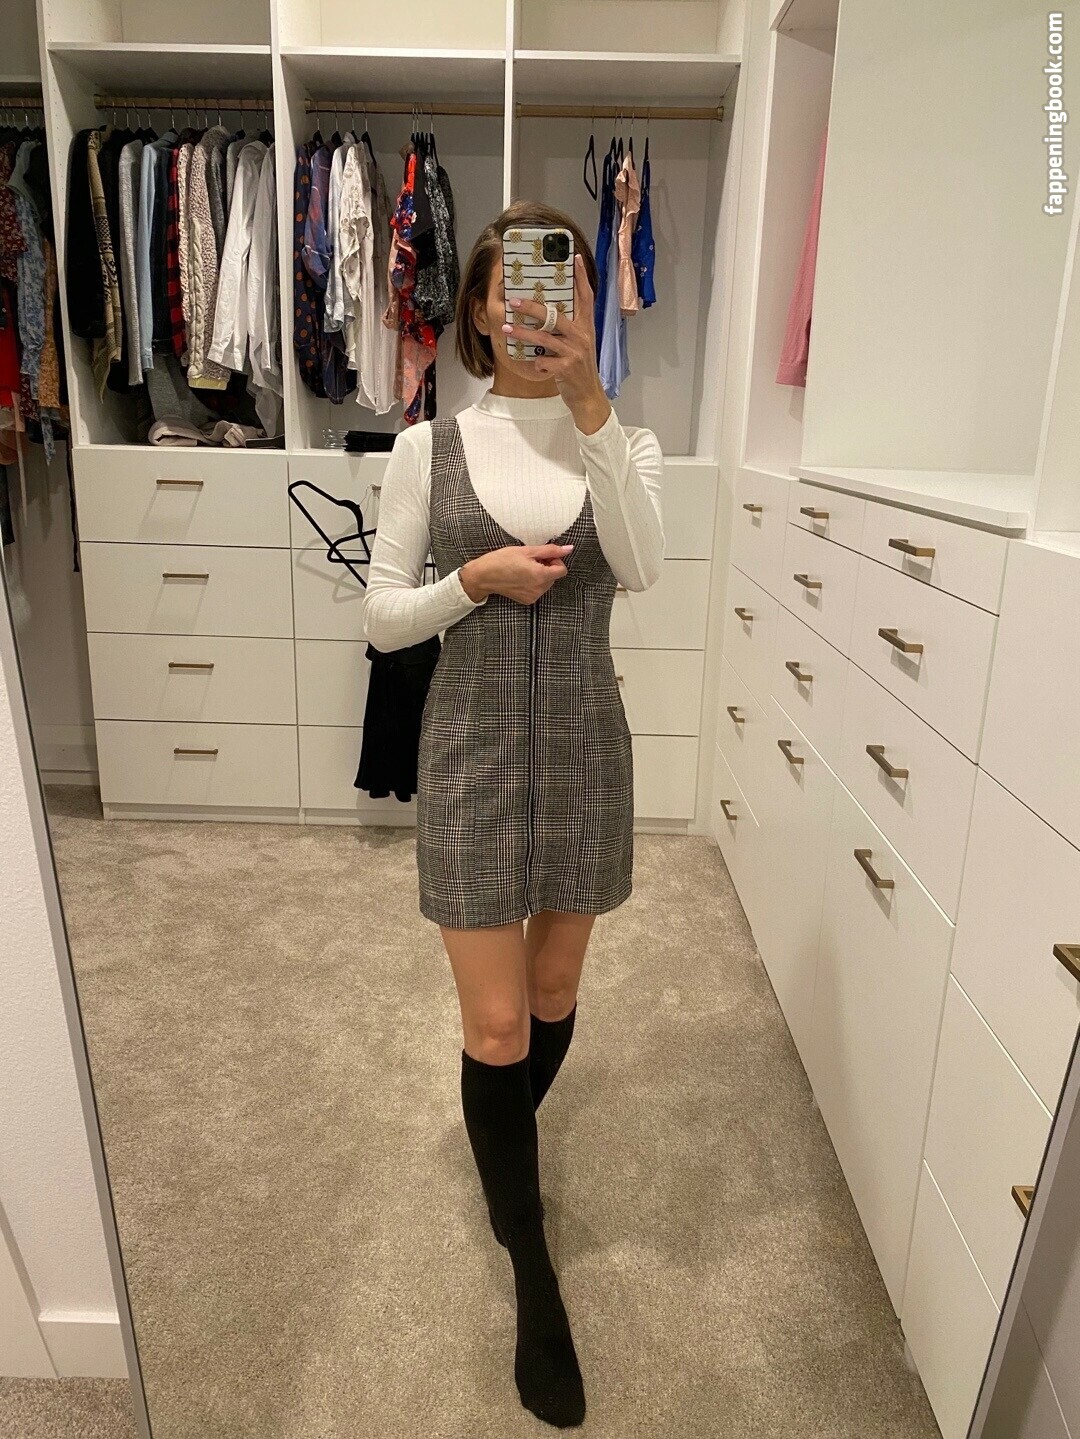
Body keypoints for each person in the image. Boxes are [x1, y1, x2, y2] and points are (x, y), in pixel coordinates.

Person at [363, 200, 664, 1428]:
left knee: (551, 994)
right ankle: (533, 1264)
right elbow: (381, 614)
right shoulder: (427, 449)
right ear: (483, 309)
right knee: (494, 1025)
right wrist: (471, 581)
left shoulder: (623, 443)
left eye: (565, 283)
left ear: (585, 303)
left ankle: (505, 1153)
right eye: (517, 286)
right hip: (475, 752)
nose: (539, 306)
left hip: (587, 746)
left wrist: (592, 405)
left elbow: (641, 564)